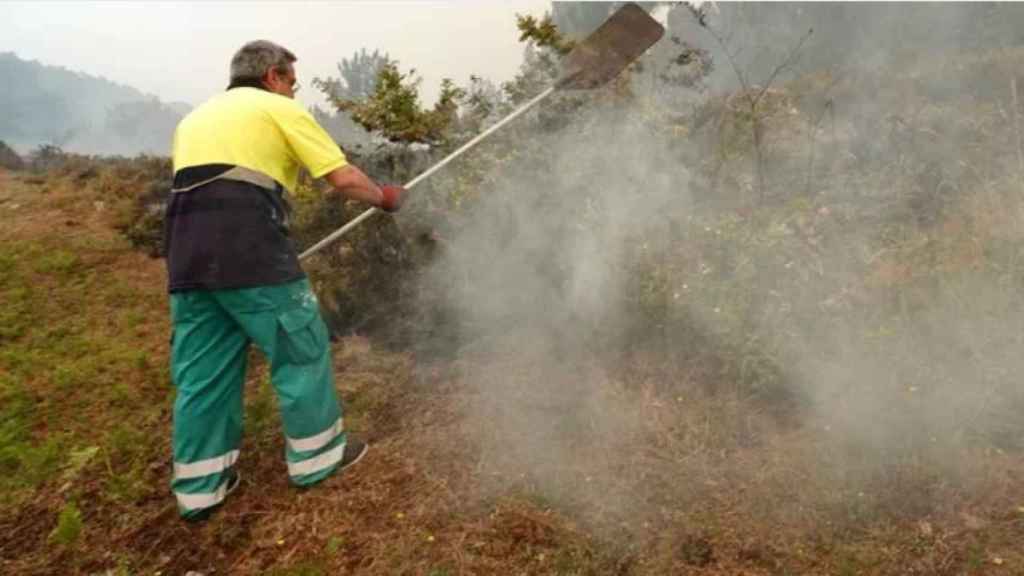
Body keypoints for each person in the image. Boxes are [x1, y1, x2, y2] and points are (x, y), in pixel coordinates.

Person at [164, 39, 404, 521]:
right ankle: (318, 458)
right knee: (299, 348)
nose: (293, 92)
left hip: (186, 261)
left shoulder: (193, 119)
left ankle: (199, 488)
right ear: (273, 76)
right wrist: (384, 198)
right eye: (292, 82)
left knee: (203, 372)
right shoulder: (275, 108)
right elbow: (342, 178)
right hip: (250, 254)